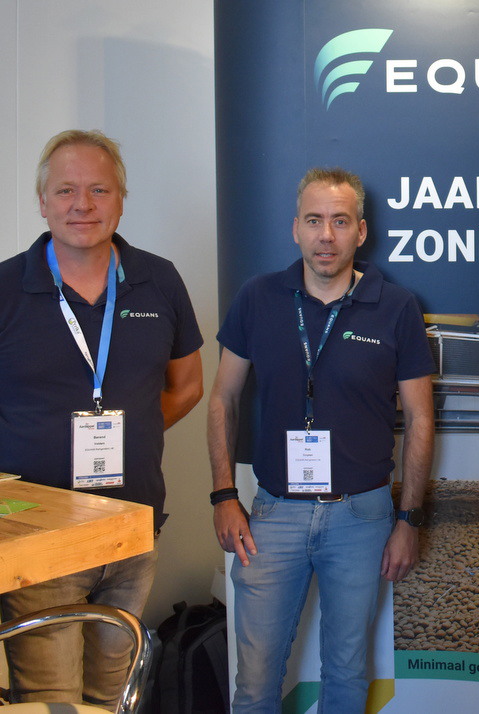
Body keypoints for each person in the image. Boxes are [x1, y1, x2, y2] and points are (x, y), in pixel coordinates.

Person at [207, 167, 436, 712]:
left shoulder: (397, 306)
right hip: (272, 515)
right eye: (314, 221)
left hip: (362, 517)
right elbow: (222, 399)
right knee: (254, 681)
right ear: (295, 229)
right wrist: (223, 496)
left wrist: (409, 521)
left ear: (361, 231)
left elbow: (421, 419)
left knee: (347, 673)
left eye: (340, 221)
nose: (326, 235)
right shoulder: (258, 298)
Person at [0, 129, 204, 707]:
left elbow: (187, 386)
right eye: (66, 190)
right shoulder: (5, 288)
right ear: (42, 202)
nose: (82, 205)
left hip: (131, 531)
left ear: (121, 198)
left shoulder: (158, 279)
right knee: (54, 699)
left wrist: (133, 432)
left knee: (113, 695)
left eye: (98, 189)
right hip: (39, 544)